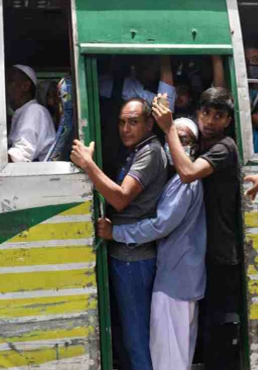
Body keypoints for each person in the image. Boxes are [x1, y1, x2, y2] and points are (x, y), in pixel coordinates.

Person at [97, 118, 206, 369]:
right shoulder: (176, 179)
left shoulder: (184, 182)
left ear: (195, 147)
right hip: (177, 279)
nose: (177, 144)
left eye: (184, 139)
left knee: (168, 358)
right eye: (174, 137)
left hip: (176, 283)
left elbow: (160, 225)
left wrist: (117, 233)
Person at [71, 97, 168, 370]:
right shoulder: (137, 150)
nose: (126, 128)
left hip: (134, 259)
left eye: (134, 122)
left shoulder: (150, 152)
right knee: (129, 336)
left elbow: (121, 198)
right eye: (122, 122)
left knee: (137, 338)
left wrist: (87, 165)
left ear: (149, 123)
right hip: (125, 256)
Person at [151, 87, 241, 370]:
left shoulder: (224, 147)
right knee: (203, 332)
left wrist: (167, 130)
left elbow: (188, 173)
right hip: (204, 254)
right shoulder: (204, 145)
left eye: (219, 115)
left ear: (228, 121)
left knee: (220, 333)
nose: (211, 120)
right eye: (206, 113)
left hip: (221, 255)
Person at [6, 64, 56, 162]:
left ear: (25, 86)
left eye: (10, 81)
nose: (5, 87)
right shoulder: (23, 112)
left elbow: (20, 156)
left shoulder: (34, 111)